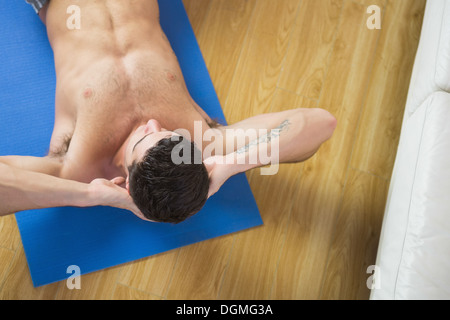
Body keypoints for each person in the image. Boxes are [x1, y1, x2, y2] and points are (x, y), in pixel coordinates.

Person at [0, 0, 337, 223]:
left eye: (142, 137)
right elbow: (320, 123)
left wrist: (88, 194)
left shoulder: (78, 168)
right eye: (166, 131)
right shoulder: (200, 147)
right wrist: (229, 166)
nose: (151, 122)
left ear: (125, 183)